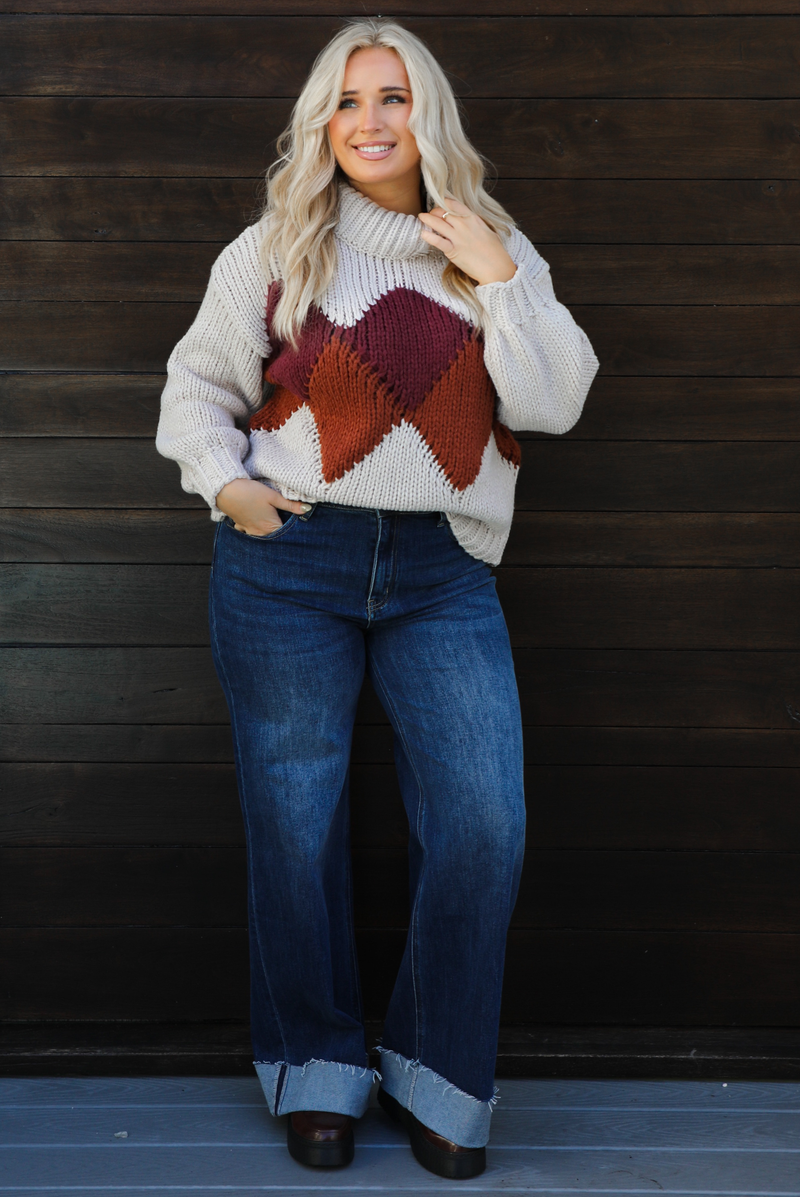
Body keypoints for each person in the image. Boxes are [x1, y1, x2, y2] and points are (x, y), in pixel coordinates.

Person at [156, 17, 598, 1180]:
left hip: (441, 575)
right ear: (321, 120)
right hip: (286, 566)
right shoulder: (275, 248)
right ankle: (316, 1072)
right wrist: (228, 487)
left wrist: (500, 281)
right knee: (292, 831)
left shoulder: (491, 246)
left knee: (480, 827)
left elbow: (551, 404)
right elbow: (195, 387)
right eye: (347, 100)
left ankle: (440, 1076)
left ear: (427, 113)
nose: (369, 121)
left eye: (393, 96)